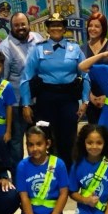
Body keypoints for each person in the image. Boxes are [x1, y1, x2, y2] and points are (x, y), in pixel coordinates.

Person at [20, 13, 89, 165]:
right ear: (48, 29)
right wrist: (26, 104)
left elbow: (85, 76)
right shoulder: (38, 49)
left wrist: (85, 101)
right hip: (46, 99)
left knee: (69, 140)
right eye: (52, 25)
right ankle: (47, 174)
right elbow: (26, 78)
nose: (56, 28)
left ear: (64, 29)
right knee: (46, 138)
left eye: (59, 25)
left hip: (68, 99)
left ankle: (67, 175)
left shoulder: (75, 49)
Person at [16, 122, 69, 214]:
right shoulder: (22, 166)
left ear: (48, 144)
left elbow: (64, 194)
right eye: (30, 145)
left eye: (39, 144)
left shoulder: (59, 164)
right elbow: (24, 197)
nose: (35, 149)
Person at [0, 12, 44, 163]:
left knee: (38, 139)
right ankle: (17, 175)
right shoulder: (4, 48)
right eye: (16, 25)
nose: (20, 28)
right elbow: (3, 82)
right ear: (11, 27)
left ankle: (36, 171)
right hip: (17, 105)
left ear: (29, 24)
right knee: (16, 143)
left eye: (23, 24)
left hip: (39, 101)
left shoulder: (38, 38)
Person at [81, 13, 108, 125]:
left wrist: (107, 95)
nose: (93, 29)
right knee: (94, 131)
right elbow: (81, 75)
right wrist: (89, 96)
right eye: (90, 26)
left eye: (97, 26)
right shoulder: (82, 49)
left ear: (103, 28)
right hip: (91, 99)